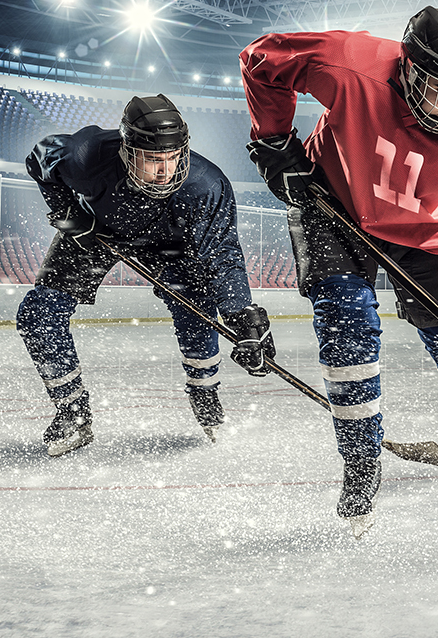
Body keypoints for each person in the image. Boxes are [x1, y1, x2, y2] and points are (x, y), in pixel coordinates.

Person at [239, 4, 438, 534]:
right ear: (411, 68)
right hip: (331, 204)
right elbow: (262, 60)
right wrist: (274, 138)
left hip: (421, 228)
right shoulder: (352, 62)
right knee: (346, 329)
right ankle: (361, 464)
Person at [17, 94, 274, 456]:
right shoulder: (86, 155)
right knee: (38, 314)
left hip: (171, 245)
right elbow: (39, 160)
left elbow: (222, 253)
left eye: (173, 157)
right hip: (96, 232)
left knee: (197, 311)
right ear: (127, 150)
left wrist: (239, 315)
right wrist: (70, 214)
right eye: (153, 159)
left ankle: (204, 393)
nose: (165, 170)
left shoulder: (206, 185)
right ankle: (72, 411)